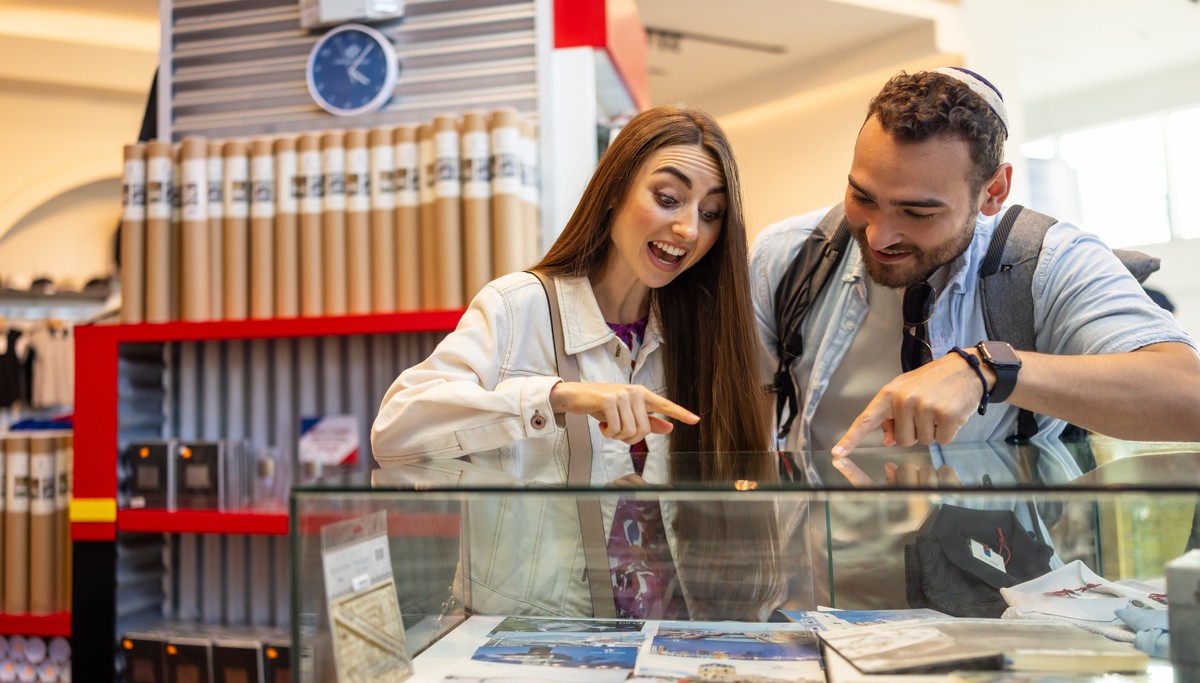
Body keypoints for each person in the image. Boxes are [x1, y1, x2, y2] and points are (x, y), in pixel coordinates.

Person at [372, 105, 777, 619]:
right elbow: (395, 434)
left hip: (664, 643)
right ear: (613, 190)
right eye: (668, 198)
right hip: (532, 644)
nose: (687, 228)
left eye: (711, 212)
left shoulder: (702, 337)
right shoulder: (517, 306)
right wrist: (556, 397)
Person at [752, 68, 1200, 457]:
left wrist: (987, 369)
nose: (877, 235)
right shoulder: (787, 254)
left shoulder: (1049, 260)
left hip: (1006, 551)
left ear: (994, 192)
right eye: (862, 197)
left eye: (917, 212)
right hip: (819, 553)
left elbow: (1188, 397)